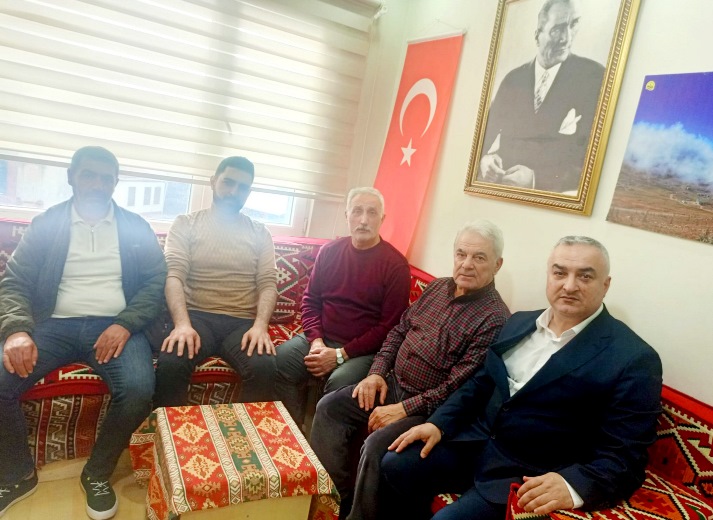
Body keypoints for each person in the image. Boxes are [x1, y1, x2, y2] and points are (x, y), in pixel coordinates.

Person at [382, 236, 663, 520]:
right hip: (472, 445)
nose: (569, 285)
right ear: (549, 276)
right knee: (396, 463)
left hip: (526, 474)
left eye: (585, 276)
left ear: (606, 284)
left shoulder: (633, 358)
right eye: (560, 273)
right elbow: (481, 383)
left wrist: (573, 485)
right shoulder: (519, 322)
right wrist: (439, 423)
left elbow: (626, 455)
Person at [0, 146, 166, 519]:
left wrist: (125, 323)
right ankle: (17, 474)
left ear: (116, 183)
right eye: (89, 175)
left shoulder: (135, 227)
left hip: (115, 325)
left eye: (107, 178)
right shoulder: (47, 224)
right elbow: (15, 282)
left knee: (139, 389)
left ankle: (96, 473)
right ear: (71, 177)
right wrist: (16, 330)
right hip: (52, 325)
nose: (97, 184)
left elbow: (155, 283)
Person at [310, 221, 510, 520]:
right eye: (461, 254)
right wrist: (376, 373)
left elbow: (458, 387)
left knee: (377, 446)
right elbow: (398, 331)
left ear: (497, 264)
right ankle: (333, 501)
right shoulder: (438, 287)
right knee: (330, 408)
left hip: (427, 410)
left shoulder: (494, 318)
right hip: (390, 384)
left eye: (479, 257)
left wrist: (403, 409)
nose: (467, 264)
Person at [275, 187, 411, 426]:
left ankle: (317, 442)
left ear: (382, 219)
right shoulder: (329, 252)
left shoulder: (396, 265)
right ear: (347, 216)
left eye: (372, 212)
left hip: (362, 351)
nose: (364, 220)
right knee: (281, 359)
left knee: (339, 383)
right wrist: (316, 341)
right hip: (321, 338)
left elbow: (389, 327)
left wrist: (340, 355)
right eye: (357, 211)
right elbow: (311, 300)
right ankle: (292, 430)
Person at [153, 156, 277, 407]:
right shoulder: (185, 224)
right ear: (213, 182)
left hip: (242, 322)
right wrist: (181, 324)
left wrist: (260, 326)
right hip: (196, 318)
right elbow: (174, 275)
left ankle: (243, 430)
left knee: (265, 367)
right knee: (172, 362)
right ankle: (172, 430)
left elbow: (268, 284)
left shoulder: (260, 232)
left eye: (242, 187)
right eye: (228, 182)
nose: (234, 191)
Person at [478, 0, 605, 193]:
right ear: (538, 35)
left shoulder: (594, 77)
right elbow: (482, 140)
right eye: (557, 29)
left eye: (573, 25)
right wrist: (485, 160)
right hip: (502, 195)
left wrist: (537, 179)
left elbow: (595, 162)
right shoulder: (512, 81)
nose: (566, 38)